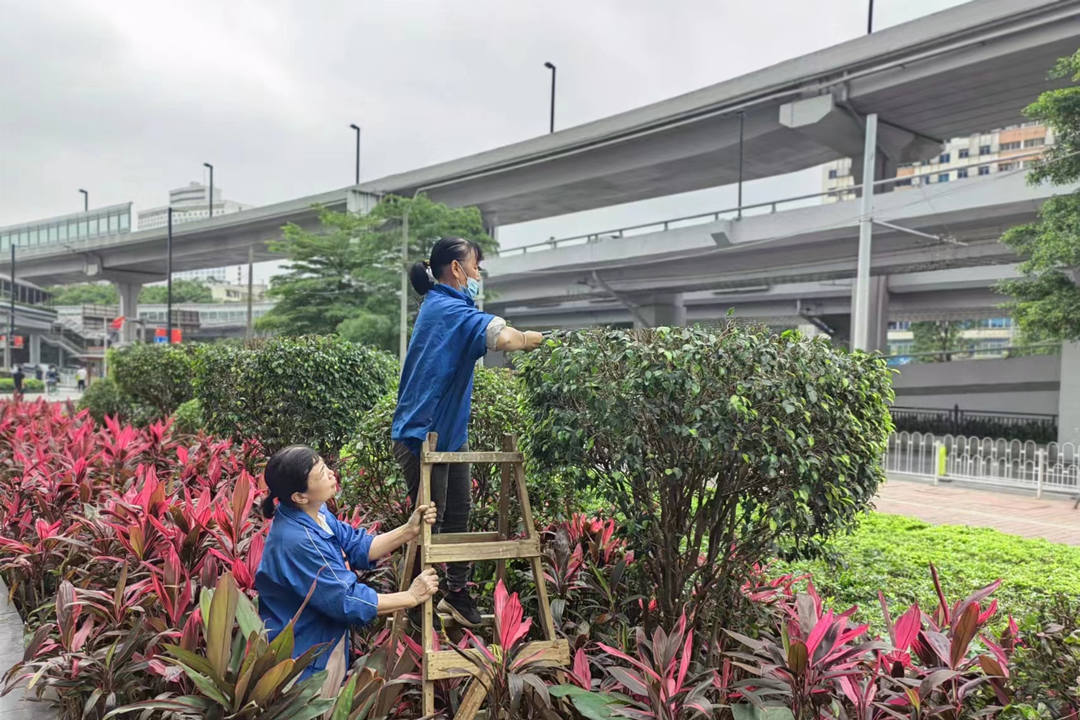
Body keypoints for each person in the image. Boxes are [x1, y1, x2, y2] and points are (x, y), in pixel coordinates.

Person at [391, 236, 548, 631]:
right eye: (475, 266)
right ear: (457, 269)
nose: (478, 274)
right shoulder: (446, 309)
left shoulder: (449, 307)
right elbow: (504, 337)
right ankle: (413, 602)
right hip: (420, 435)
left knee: (458, 513)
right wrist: (538, 340)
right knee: (430, 520)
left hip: (447, 433)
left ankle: (457, 592)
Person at [255, 445, 440, 697]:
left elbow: (357, 545)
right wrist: (411, 597)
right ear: (299, 496)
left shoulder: (316, 513)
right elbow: (347, 599)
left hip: (325, 642)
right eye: (321, 473)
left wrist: (408, 530)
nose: (331, 473)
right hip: (302, 659)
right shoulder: (299, 541)